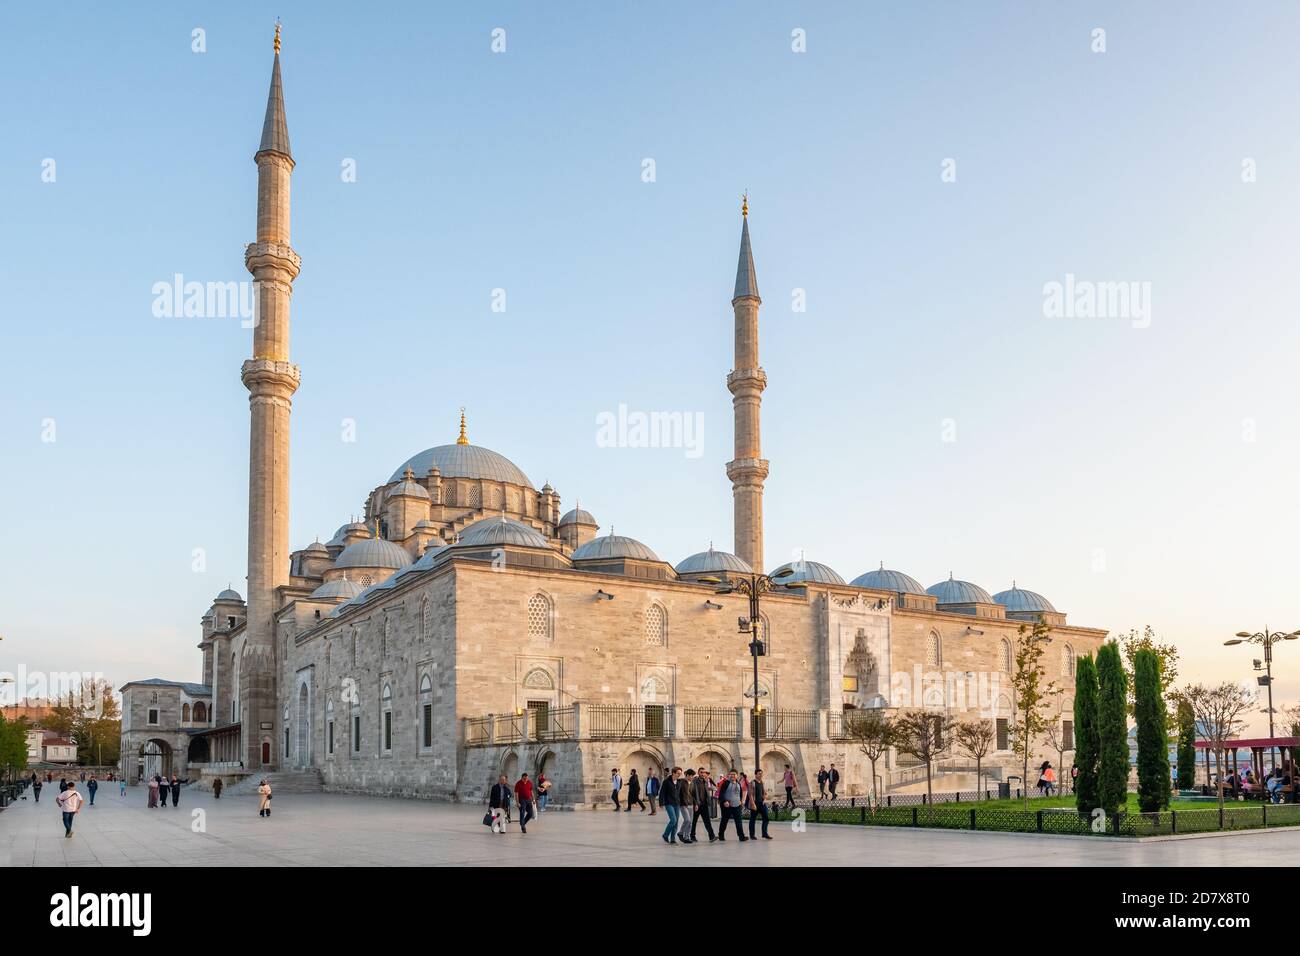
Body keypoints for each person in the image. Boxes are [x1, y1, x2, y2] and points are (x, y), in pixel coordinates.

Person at [718, 770, 748, 842]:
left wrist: (740, 800)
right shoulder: (726, 783)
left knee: (738, 821)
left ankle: (741, 836)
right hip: (727, 806)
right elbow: (721, 794)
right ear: (729, 775)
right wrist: (725, 801)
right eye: (731, 774)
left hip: (737, 805)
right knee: (724, 821)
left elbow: (740, 793)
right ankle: (721, 835)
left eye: (734, 774)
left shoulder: (738, 783)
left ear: (736, 775)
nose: (732, 776)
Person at [690, 767, 717, 843]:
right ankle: (692, 836)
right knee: (694, 821)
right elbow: (692, 793)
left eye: (704, 772)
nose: (703, 774)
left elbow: (707, 791)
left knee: (707, 821)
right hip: (697, 805)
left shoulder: (705, 781)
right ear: (698, 773)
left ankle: (711, 836)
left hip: (704, 804)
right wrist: (695, 803)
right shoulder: (694, 781)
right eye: (701, 772)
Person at [659, 766, 681, 845]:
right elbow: (662, 792)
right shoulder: (666, 781)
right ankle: (665, 835)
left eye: (680, 773)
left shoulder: (679, 782)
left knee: (676, 822)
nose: (679, 775)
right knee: (673, 820)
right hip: (669, 803)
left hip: (677, 804)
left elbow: (680, 793)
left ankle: (673, 839)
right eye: (678, 773)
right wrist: (661, 803)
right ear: (673, 773)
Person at [748, 769, 772, 839]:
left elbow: (764, 792)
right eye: (759, 774)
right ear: (755, 774)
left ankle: (764, 833)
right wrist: (753, 804)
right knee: (753, 819)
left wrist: (764, 797)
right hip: (755, 803)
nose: (761, 775)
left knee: (766, 818)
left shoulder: (762, 782)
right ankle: (752, 835)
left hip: (762, 803)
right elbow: (750, 794)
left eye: (761, 773)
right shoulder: (752, 783)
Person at [678, 769, 697, 843]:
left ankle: (686, 837)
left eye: (693, 776)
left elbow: (693, 795)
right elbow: (678, 793)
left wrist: (696, 804)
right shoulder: (681, 782)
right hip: (683, 804)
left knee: (690, 822)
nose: (692, 777)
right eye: (691, 776)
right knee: (687, 820)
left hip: (691, 804)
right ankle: (681, 833)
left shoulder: (692, 783)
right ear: (687, 775)